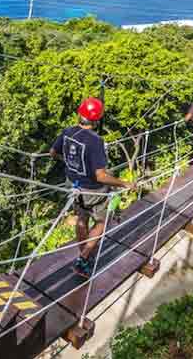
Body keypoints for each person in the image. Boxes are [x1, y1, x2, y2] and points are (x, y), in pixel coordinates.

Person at [50, 97, 131, 278]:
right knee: (102, 222)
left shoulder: (67, 132)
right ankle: (84, 258)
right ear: (97, 119)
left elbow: (53, 153)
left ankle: (82, 255)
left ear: (80, 113)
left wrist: (71, 163)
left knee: (81, 217)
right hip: (93, 190)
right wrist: (124, 183)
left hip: (73, 186)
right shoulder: (96, 141)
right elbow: (100, 176)